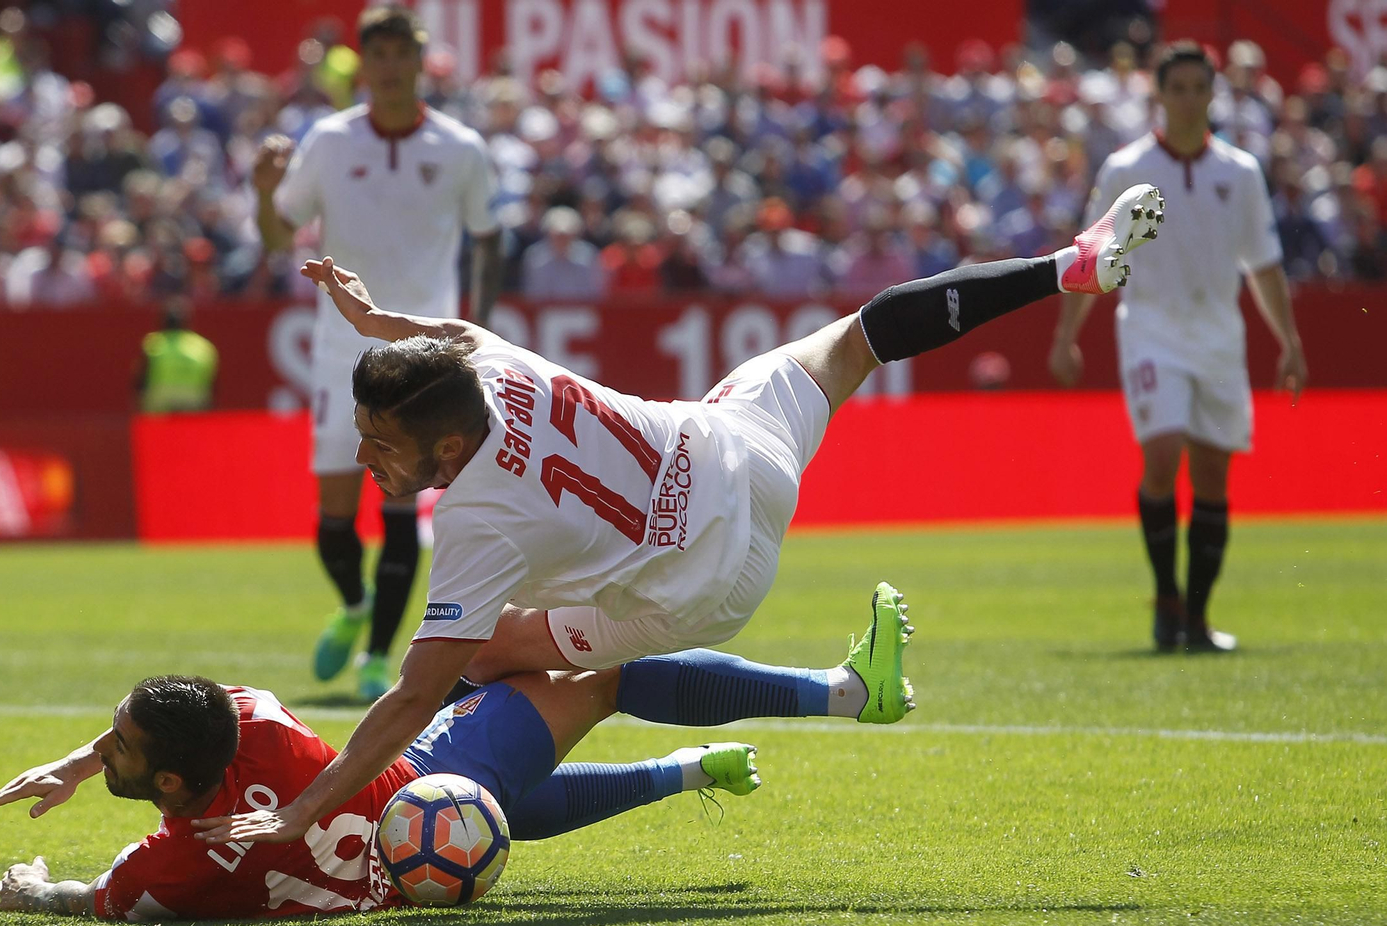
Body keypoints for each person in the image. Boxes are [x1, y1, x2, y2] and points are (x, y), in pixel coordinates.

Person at [192, 179, 1166, 849]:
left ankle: (475, 787)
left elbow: (408, 691)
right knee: (861, 337)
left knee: (493, 661)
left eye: (381, 445)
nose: (364, 459)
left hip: (701, 588)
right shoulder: (490, 363)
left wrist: (303, 810)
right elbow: (444, 334)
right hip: (737, 453)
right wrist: (375, 323)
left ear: (448, 451)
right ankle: (1066, 266)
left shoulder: (475, 527)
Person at [0, 641, 915, 918]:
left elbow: (91, 895)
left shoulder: (177, 861)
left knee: (500, 795)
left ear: (173, 782)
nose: (105, 747)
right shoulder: (255, 717)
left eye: (115, 744)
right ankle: (847, 693)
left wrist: (29, 891)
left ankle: (680, 772)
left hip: (417, 868)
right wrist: (80, 762)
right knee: (603, 672)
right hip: (431, 787)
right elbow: (179, 723)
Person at [251, 5, 502, 700]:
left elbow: (489, 235)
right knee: (334, 517)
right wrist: (262, 193)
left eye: (402, 53)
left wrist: (480, 325)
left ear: (420, 61)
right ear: (366, 64)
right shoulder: (329, 142)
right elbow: (279, 238)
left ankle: (376, 657)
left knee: (399, 504)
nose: (391, 67)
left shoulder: (460, 148)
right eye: (379, 55)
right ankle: (355, 605)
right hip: (340, 352)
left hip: (423, 357)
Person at [1047, 41, 1307, 653]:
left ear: (1213, 94)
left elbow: (1264, 266)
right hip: (1151, 329)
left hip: (1220, 333)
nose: (1189, 99)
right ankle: (1166, 600)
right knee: (1162, 456)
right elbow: (1093, 258)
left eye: (1199, 88)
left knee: (1214, 476)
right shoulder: (1124, 169)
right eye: (1178, 88)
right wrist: (1066, 334)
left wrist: (1290, 342)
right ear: (1159, 95)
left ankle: (1196, 616)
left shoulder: (1239, 172)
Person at [137, 299, 218, 414]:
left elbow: (140, 379)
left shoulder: (154, 344)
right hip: (194, 402)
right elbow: (211, 384)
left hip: (161, 403)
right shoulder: (204, 347)